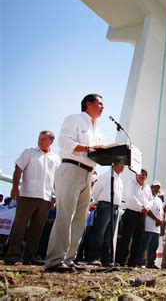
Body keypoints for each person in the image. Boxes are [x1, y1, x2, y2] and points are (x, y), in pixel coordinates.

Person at [45, 94, 105, 272]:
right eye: (99, 103)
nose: (103, 107)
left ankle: (69, 259)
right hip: (71, 169)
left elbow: (98, 153)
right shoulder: (74, 119)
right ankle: (55, 260)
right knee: (65, 215)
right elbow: (65, 142)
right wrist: (88, 148)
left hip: (88, 174)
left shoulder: (99, 131)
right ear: (88, 104)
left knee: (80, 219)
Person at [4, 131, 60, 266]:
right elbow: (18, 168)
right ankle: (12, 255)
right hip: (27, 195)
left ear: (51, 141)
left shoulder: (56, 158)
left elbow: (56, 180)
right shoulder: (29, 151)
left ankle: (30, 257)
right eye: (39, 139)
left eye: (43, 139)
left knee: (37, 228)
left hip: (45, 198)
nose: (40, 141)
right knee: (20, 226)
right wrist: (15, 187)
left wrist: (55, 196)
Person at [87, 164, 124, 267]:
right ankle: (94, 257)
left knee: (109, 235)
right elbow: (96, 191)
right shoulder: (105, 176)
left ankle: (105, 259)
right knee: (99, 233)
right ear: (114, 165)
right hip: (105, 206)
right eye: (120, 165)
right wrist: (100, 203)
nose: (122, 167)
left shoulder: (120, 180)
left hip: (115, 208)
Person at [116, 169, 151, 267]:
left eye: (144, 175)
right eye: (140, 174)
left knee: (138, 239)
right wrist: (142, 207)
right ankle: (121, 261)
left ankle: (132, 263)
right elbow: (131, 198)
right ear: (136, 175)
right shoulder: (131, 184)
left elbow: (150, 200)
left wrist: (147, 207)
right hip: (131, 213)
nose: (142, 176)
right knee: (126, 238)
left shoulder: (147, 187)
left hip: (141, 215)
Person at [140, 180, 164, 269]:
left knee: (154, 247)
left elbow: (161, 212)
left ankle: (151, 263)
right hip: (148, 226)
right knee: (144, 246)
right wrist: (157, 219)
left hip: (156, 228)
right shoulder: (148, 197)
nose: (156, 189)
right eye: (155, 187)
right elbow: (148, 211)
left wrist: (160, 220)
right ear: (151, 187)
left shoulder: (159, 199)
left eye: (158, 187)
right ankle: (139, 262)